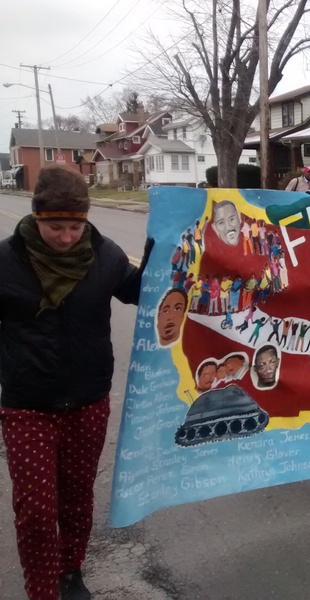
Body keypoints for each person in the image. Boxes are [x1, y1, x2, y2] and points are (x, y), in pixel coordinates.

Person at [0, 165, 151, 600]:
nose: (66, 237)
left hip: (88, 399)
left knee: (77, 498)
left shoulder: (104, 256)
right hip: (28, 405)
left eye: (74, 225)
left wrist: (170, 258)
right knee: (36, 511)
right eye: (55, 227)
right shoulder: (6, 262)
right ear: (36, 217)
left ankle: (70, 570)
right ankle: (43, 589)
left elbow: (141, 291)